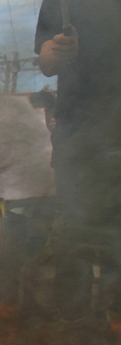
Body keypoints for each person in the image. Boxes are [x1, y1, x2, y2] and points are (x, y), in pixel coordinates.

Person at [36, 0, 121, 320]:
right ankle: (75, 331)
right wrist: (56, 51)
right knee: (76, 238)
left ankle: (113, 334)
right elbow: (45, 60)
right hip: (78, 137)